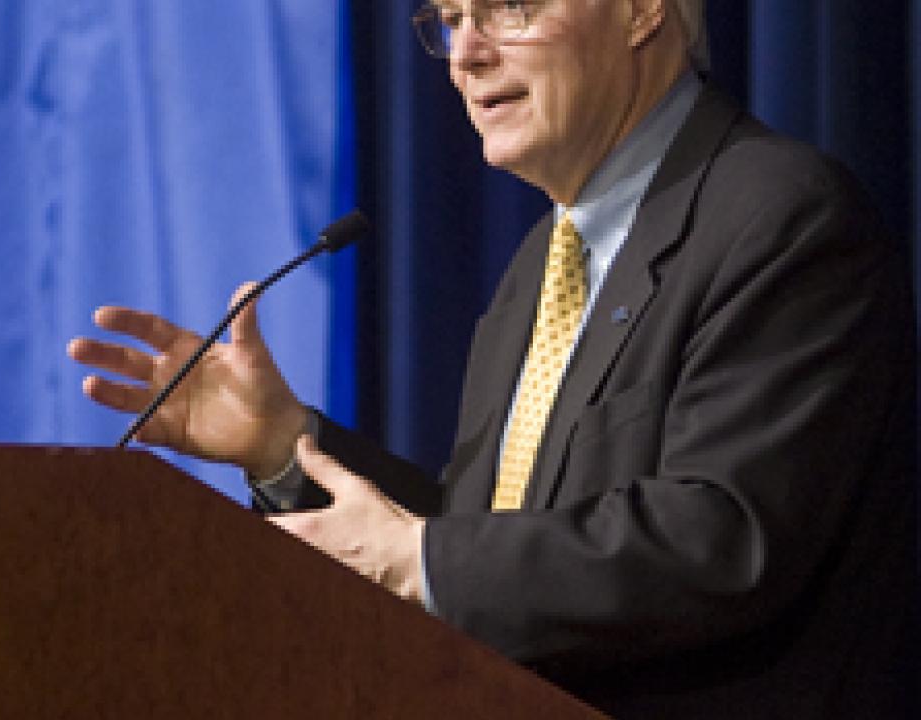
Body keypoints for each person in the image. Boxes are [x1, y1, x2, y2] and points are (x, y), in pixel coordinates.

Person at [68, 0, 918, 716]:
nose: (467, 55)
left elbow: (721, 537)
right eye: (449, 18)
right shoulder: (536, 273)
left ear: (642, 11)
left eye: (508, 7)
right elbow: (491, 552)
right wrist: (283, 445)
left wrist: (423, 563)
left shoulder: (778, 217)